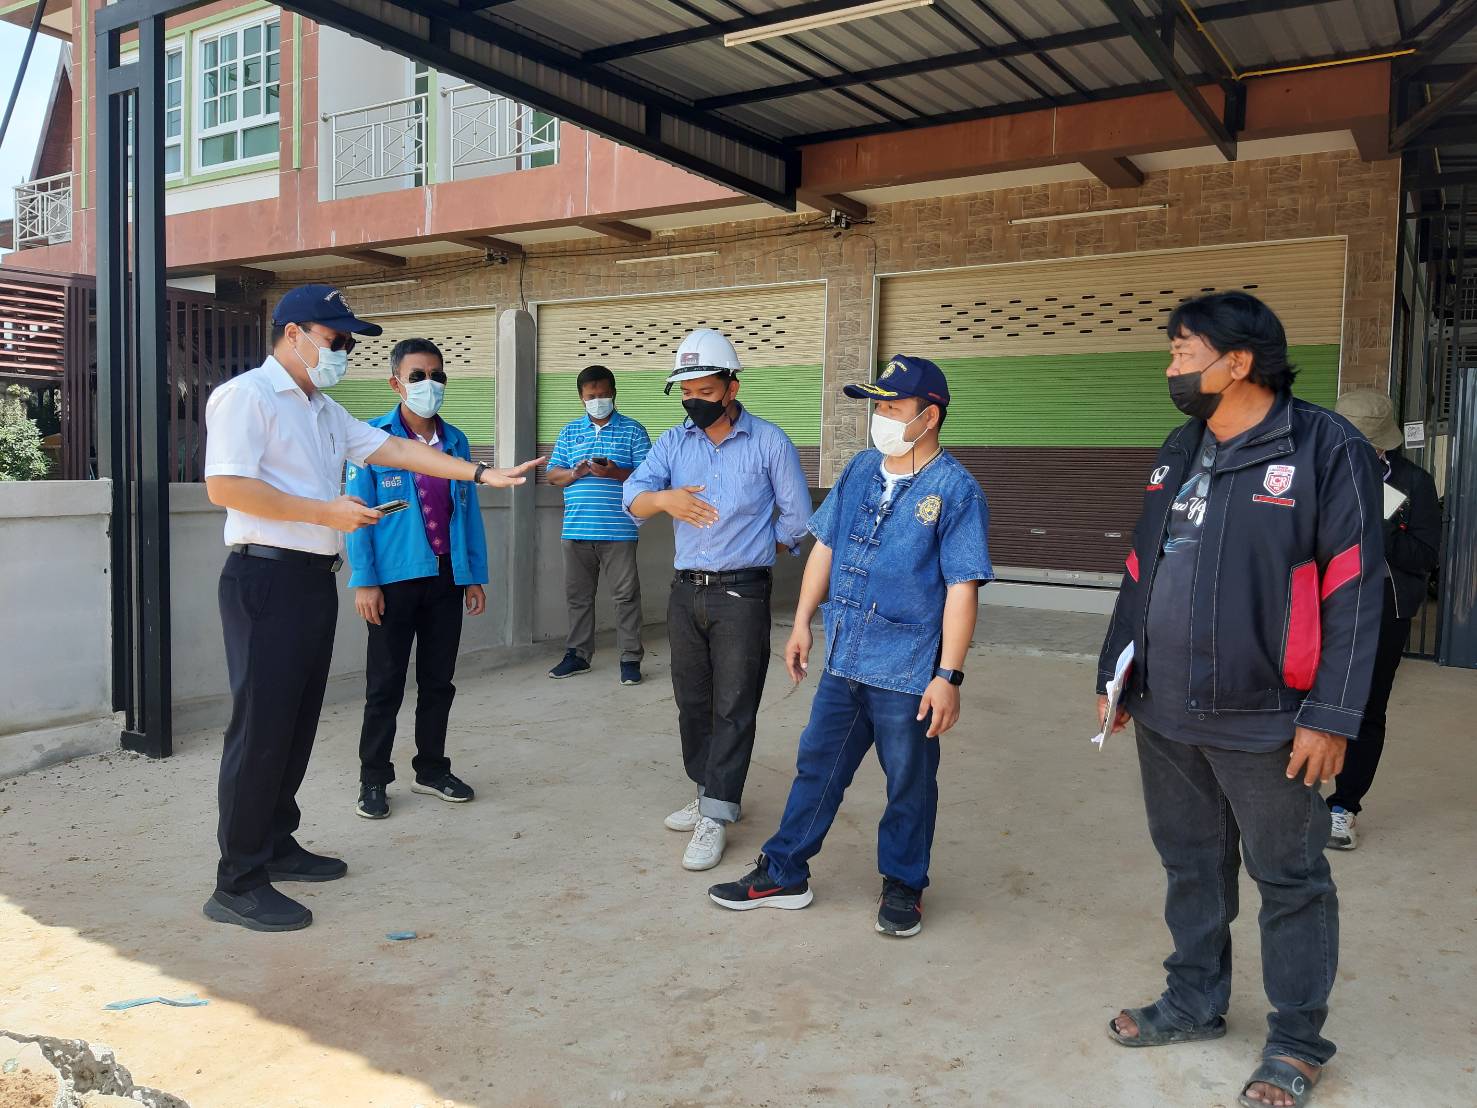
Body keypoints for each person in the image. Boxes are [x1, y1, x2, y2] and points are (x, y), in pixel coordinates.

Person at [1095, 291, 1383, 1108]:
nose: (1170, 367)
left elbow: (1354, 587)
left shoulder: (1324, 446)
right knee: (1189, 864)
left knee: (1288, 878)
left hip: (1267, 716)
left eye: (1182, 352)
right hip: (1165, 708)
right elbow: (1141, 566)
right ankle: (1193, 999)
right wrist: (1114, 674)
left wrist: (1331, 714)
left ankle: (1295, 1041)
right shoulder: (1179, 446)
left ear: (1238, 361)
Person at [202, 285, 540, 933]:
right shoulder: (248, 396)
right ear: (294, 333)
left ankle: (275, 843)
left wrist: (478, 474)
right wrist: (322, 512)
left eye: (349, 345)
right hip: (264, 577)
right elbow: (226, 485)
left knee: (296, 722)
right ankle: (237, 880)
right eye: (336, 340)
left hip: (309, 579)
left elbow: (398, 451)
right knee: (262, 727)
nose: (344, 352)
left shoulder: (323, 410)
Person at [707, 356, 992, 937]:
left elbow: (962, 588)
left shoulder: (955, 490)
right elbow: (825, 547)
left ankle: (904, 884)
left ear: (930, 416)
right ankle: (784, 872)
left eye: (893, 406)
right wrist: (802, 621)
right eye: (877, 405)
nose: (880, 417)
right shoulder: (861, 469)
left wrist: (949, 676)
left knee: (908, 781)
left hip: (908, 669)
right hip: (845, 656)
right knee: (817, 766)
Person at [622, 328, 810, 872]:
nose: (694, 402)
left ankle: (717, 813)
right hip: (686, 592)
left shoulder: (770, 443)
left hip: (742, 593)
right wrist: (665, 499)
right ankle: (708, 790)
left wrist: (756, 545)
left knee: (733, 704)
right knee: (693, 701)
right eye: (686, 393)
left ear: (732, 387)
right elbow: (633, 497)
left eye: (705, 392)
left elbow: (799, 519)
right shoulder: (673, 443)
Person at [345, 338, 490, 820]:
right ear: (396, 383)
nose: (430, 384)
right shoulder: (372, 439)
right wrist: (365, 580)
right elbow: (357, 515)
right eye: (418, 376)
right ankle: (373, 778)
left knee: (438, 681)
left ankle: (431, 769)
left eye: (437, 375)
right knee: (384, 685)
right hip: (393, 581)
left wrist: (472, 574)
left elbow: (467, 513)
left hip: (446, 577)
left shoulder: (456, 442)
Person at [1325, 390, 1440, 850]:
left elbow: (1424, 556)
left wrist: (1380, 520)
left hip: (1382, 609)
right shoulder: (1315, 470)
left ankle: (1343, 807)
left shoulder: (1413, 482)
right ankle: (1287, 798)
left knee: (1366, 708)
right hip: (1320, 605)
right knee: (1295, 699)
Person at [545, 365, 652, 686]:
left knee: (626, 597)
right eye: (591, 396)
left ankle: (630, 659)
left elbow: (650, 477)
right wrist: (575, 473)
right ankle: (578, 655)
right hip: (576, 530)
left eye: (604, 394)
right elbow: (552, 475)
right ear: (581, 398)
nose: (598, 400)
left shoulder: (633, 431)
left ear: (614, 393)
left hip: (619, 530)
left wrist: (615, 472)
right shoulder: (569, 432)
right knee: (578, 598)